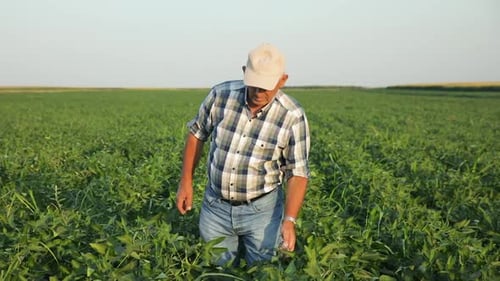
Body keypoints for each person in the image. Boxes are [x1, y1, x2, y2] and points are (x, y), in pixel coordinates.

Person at [176, 43, 310, 266]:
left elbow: (297, 172)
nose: (258, 93)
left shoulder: (292, 116)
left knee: (262, 270)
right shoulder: (221, 95)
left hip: (262, 212)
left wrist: (289, 220)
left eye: (266, 87)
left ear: (283, 80)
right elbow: (197, 135)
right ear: (244, 73)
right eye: (254, 85)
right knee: (218, 270)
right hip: (215, 206)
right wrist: (186, 182)